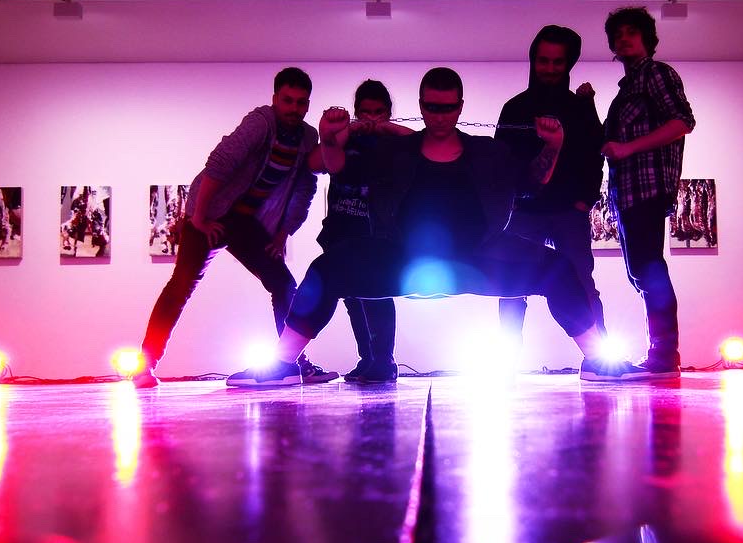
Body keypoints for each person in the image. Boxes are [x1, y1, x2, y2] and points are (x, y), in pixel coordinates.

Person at [228, 67, 648, 387]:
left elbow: (533, 180)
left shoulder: (487, 153)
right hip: (401, 257)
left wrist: (552, 148)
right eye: (431, 106)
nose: (440, 115)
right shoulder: (397, 151)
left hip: (478, 256)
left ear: (461, 106)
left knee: (557, 269)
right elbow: (332, 166)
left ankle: (597, 360)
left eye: (448, 107)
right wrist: (331, 139)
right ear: (421, 104)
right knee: (326, 270)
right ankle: (281, 366)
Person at [133, 67, 336, 388]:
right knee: (182, 284)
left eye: (300, 103)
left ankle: (292, 363)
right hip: (210, 215)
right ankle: (144, 366)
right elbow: (219, 163)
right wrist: (199, 218)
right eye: (287, 100)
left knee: (283, 284)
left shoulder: (308, 138)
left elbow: (303, 188)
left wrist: (283, 234)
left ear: (308, 105)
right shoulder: (260, 123)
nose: (293, 108)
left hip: (245, 223)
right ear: (275, 99)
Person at [494, 25, 606, 346]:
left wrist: (584, 200)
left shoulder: (580, 109)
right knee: (512, 286)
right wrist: (510, 204)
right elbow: (500, 162)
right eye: (544, 60)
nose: (550, 68)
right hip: (524, 212)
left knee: (583, 282)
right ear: (533, 61)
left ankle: (600, 357)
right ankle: (507, 359)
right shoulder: (513, 108)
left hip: (568, 212)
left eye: (558, 62)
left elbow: (594, 157)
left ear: (568, 64)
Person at [600, 7, 695, 378]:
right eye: (618, 34)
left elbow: (682, 121)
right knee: (641, 270)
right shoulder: (626, 89)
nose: (623, 39)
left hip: (649, 187)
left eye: (631, 33)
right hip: (628, 193)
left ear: (647, 39)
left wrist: (629, 147)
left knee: (650, 268)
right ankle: (660, 354)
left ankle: (664, 354)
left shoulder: (656, 74)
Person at [310, 80, 414, 384]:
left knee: (378, 292)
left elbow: (418, 142)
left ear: (388, 112)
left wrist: (387, 128)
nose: (371, 118)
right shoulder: (345, 140)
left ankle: (384, 360)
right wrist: (349, 130)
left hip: (376, 231)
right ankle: (367, 358)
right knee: (351, 297)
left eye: (378, 112)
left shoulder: (394, 144)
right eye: (365, 112)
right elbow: (315, 162)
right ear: (356, 111)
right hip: (341, 228)